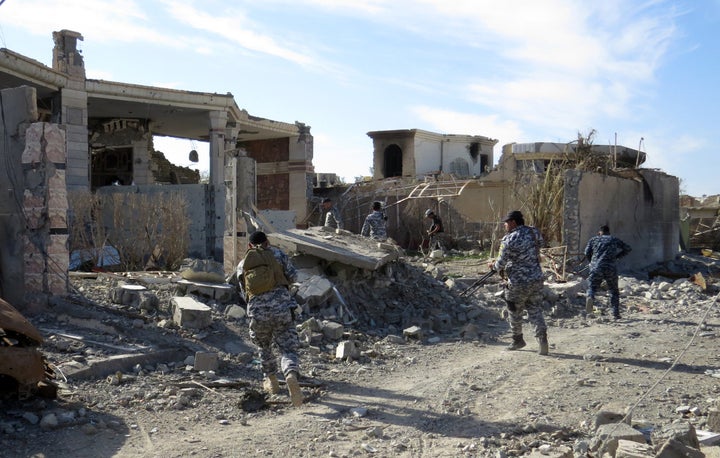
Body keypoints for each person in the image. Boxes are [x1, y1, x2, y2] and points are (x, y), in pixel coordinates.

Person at [236, 231, 303, 407]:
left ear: (249, 246)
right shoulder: (278, 255)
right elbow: (294, 277)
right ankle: (290, 374)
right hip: (281, 309)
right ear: (267, 242)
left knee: (263, 346)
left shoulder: (243, 264)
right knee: (288, 348)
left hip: (257, 313)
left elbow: (244, 293)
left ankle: (271, 381)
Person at [489, 210, 549, 355]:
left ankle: (517, 340)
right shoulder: (534, 232)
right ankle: (542, 341)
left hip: (518, 282)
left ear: (513, 222)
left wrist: (493, 266)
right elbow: (541, 245)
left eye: (506, 223)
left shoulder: (509, 239)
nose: (504, 225)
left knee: (514, 311)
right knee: (535, 309)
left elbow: (500, 263)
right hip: (536, 279)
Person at [584, 225, 632, 319]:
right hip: (611, 267)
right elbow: (628, 248)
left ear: (599, 232)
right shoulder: (613, 239)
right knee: (613, 290)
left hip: (596, 267)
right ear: (608, 232)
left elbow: (586, 252)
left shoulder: (594, 240)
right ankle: (615, 313)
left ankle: (590, 299)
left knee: (592, 287)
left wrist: (592, 263)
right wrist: (617, 257)